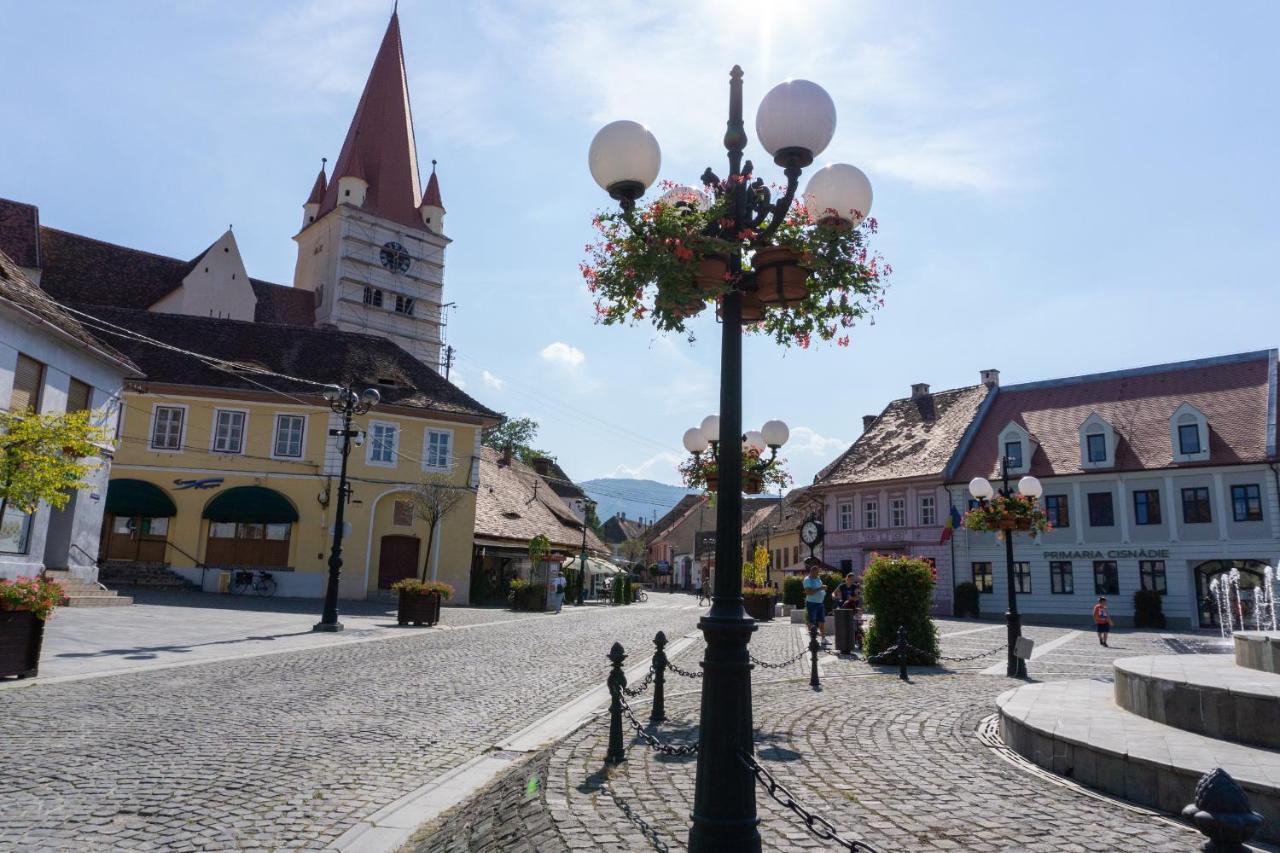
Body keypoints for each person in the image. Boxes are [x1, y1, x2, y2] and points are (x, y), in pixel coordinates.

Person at [803, 564, 828, 645]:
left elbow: (819, 589)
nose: (818, 574)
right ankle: (812, 639)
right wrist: (821, 588)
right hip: (812, 603)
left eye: (818, 572)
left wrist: (823, 590)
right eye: (816, 572)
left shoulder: (818, 578)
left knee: (822, 621)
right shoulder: (807, 580)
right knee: (812, 621)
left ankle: (823, 639)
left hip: (820, 603)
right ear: (812, 572)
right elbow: (808, 592)